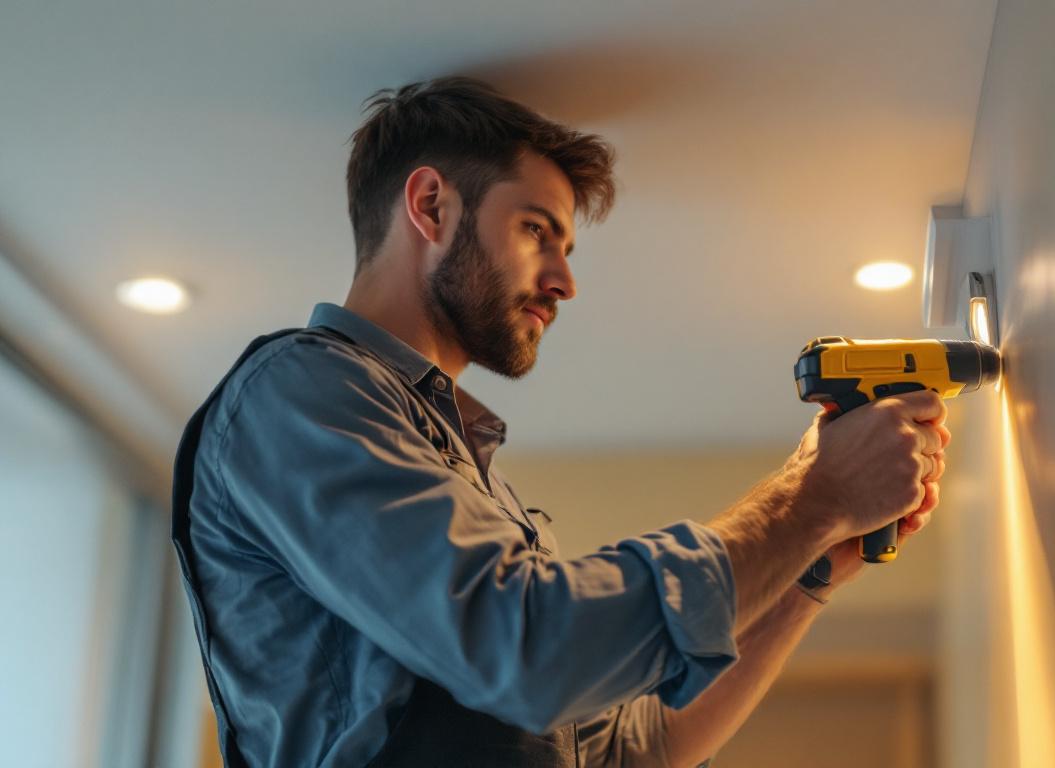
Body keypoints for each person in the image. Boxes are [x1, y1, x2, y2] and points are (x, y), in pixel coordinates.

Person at [170, 76, 951, 767]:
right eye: (536, 230)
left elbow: (641, 746)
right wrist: (810, 499)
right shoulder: (301, 395)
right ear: (431, 205)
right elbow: (529, 650)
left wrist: (808, 564)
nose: (565, 281)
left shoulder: (466, 478)